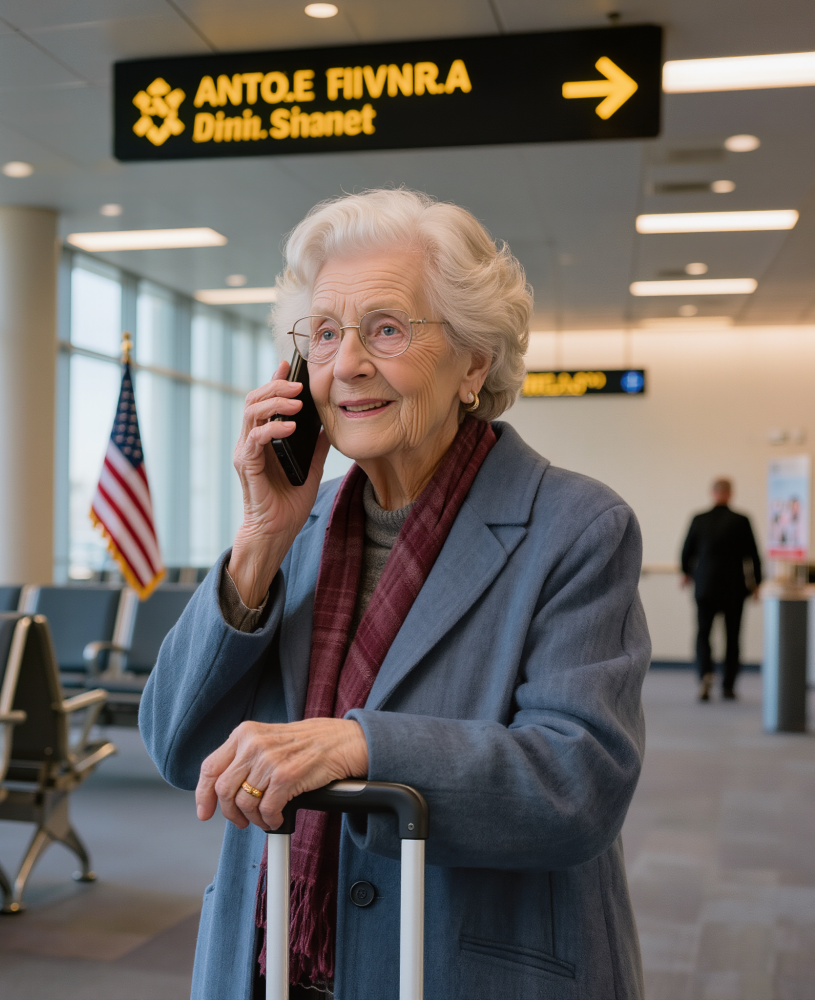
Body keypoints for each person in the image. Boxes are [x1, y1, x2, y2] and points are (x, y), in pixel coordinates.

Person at [140, 189, 650, 1000]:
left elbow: (577, 782)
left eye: (386, 329)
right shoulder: (293, 526)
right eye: (325, 333)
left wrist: (361, 746)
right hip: (270, 968)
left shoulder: (577, 526)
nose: (347, 364)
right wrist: (260, 540)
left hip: (463, 969)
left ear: (473, 364)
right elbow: (175, 744)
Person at [681, 477, 762, 701]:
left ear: (713, 493)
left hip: (705, 586)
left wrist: (686, 573)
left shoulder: (699, 519)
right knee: (733, 637)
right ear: (730, 493)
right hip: (734, 588)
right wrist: (757, 583)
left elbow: (686, 551)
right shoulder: (742, 520)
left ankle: (705, 674)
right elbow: (753, 555)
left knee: (703, 634)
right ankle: (728, 685)